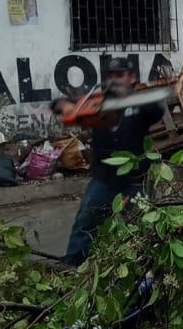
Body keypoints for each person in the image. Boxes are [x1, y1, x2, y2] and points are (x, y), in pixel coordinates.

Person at [56, 59, 156, 266]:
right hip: (104, 176)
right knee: (86, 220)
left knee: (145, 223)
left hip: (136, 177)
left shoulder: (142, 103)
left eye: (120, 75)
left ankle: (146, 265)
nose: (114, 79)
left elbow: (158, 109)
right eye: (110, 75)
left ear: (132, 78)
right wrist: (66, 105)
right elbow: (57, 104)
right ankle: (72, 265)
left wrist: (132, 99)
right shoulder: (95, 101)